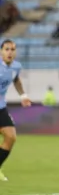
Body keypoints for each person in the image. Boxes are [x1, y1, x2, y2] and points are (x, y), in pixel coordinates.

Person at [0, 39, 31, 182]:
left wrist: (23, 96)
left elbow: (16, 80)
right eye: (6, 49)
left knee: (11, 137)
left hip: (1, 107)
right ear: (1, 51)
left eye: (12, 49)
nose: (10, 52)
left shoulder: (16, 66)